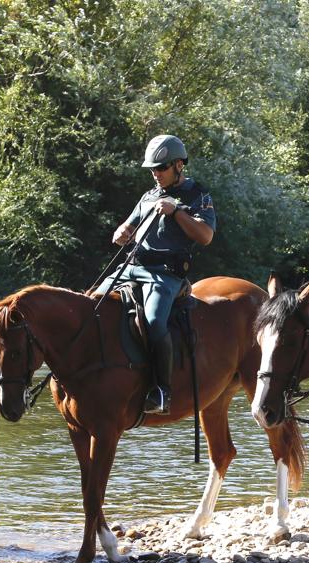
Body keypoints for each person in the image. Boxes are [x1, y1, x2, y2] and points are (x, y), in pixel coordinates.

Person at [94, 135, 216, 415]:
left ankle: (162, 389)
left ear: (178, 165)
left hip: (166, 275)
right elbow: (126, 226)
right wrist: (121, 233)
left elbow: (206, 236)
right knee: (93, 304)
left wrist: (176, 213)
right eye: (152, 170)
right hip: (132, 267)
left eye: (160, 168)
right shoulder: (149, 196)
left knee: (152, 321)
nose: (155, 174)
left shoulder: (198, 195)